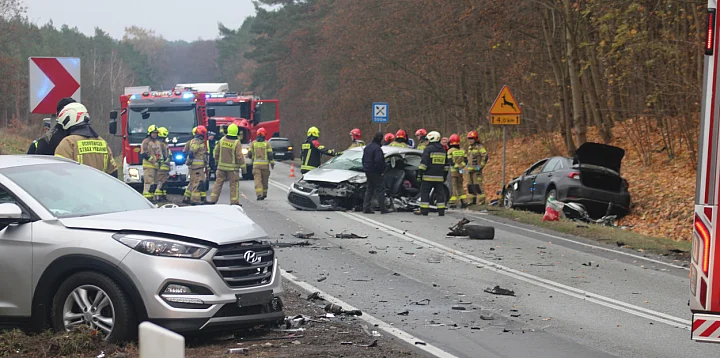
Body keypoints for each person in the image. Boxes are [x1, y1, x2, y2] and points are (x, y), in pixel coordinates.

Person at [54, 102, 118, 177]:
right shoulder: (102, 143)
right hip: (99, 187)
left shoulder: (68, 143)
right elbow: (113, 172)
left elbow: (59, 173)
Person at [208, 123, 247, 205]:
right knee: (234, 185)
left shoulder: (222, 140)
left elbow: (216, 152)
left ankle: (212, 200)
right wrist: (243, 168)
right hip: (233, 170)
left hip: (221, 168)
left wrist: (217, 161)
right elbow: (239, 156)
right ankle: (234, 202)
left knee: (218, 183)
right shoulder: (237, 143)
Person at [415, 131, 449, 216]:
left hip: (428, 177)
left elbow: (423, 164)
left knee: (425, 193)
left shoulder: (428, 149)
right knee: (440, 194)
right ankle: (441, 211)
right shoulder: (443, 150)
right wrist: (444, 176)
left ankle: (424, 210)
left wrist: (419, 174)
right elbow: (446, 165)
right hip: (439, 177)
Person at [362, 132, 389, 214]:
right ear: (381, 139)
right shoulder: (377, 149)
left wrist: (366, 168)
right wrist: (381, 171)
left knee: (369, 189)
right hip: (375, 172)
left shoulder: (367, 147)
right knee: (380, 190)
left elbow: (363, 160)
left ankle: (366, 207)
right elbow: (379, 161)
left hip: (368, 171)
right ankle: (383, 208)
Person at [183, 125, 208, 205]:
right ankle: (195, 200)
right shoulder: (196, 141)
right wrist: (190, 161)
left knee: (195, 182)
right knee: (197, 183)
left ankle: (187, 197)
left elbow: (185, 151)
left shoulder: (197, 141)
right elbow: (192, 152)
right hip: (196, 167)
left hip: (199, 166)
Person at [249, 127, 274, 200]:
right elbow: (270, 155)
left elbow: (250, 154)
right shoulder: (267, 144)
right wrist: (272, 164)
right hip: (265, 166)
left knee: (257, 180)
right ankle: (264, 194)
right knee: (265, 181)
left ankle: (259, 194)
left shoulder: (253, 143)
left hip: (256, 166)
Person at [465, 130, 489, 205]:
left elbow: (485, 156)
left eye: (471, 139)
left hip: (476, 171)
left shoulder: (480, 147)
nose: (470, 140)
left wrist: (480, 167)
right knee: (470, 186)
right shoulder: (470, 148)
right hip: (469, 171)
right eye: (469, 139)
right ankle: (472, 201)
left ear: (475, 139)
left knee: (478, 186)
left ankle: (481, 202)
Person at [140, 124, 162, 200]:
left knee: (154, 184)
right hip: (148, 166)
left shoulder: (157, 142)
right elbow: (144, 154)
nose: (155, 134)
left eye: (156, 133)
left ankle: (152, 198)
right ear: (149, 133)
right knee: (149, 183)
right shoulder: (146, 142)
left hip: (156, 166)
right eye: (153, 133)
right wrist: (152, 160)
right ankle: (147, 199)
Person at [447, 134, 468, 209]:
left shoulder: (450, 151)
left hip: (453, 172)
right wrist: (460, 166)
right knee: (460, 187)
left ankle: (453, 202)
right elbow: (466, 161)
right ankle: (464, 202)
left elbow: (449, 161)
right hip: (461, 171)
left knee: (453, 187)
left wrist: (455, 166)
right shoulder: (462, 151)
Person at [154, 127, 171, 202]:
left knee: (164, 182)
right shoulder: (160, 144)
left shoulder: (163, 144)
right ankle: (157, 196)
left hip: (165, 166)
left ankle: (163, 196)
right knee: (160, 182)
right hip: (161, 166)